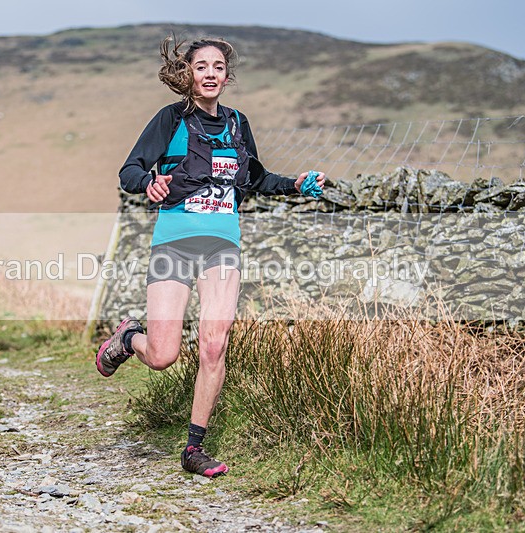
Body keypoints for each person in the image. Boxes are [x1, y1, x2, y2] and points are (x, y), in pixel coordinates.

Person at [96, 36, 325, 478]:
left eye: (218, 67)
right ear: (189, 74)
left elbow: (255, 177)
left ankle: (193, 448)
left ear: (226, 75)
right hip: (174, 244)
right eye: (201, 66)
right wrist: (149, 183)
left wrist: (295, 184)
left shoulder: (239, 124)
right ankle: (128, 338)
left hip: (222, 247)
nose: (210, 74)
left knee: (214, 344)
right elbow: (130, 171)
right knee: (163, 355)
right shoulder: (170, 119)